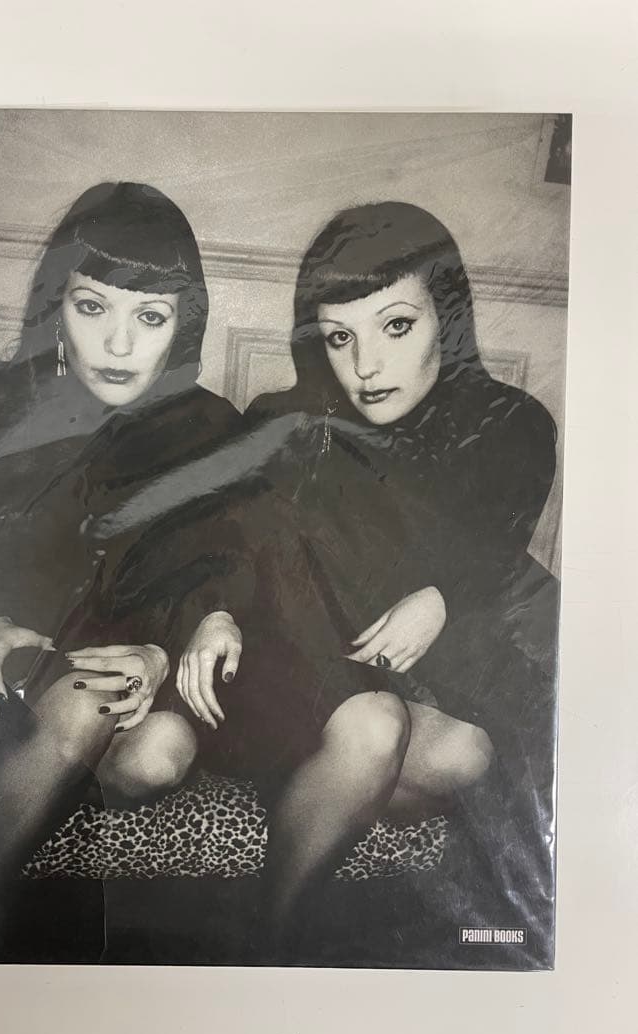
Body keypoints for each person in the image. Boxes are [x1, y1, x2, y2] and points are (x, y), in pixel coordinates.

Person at [175, 201, 557, 954]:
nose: (366, 366)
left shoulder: (508, 422)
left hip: (382, 680)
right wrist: (214, 612)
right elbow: (226, 545)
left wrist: (440, 596)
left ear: (447, 317)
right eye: (340, 337)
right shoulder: (284, 423)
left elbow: (494, 534)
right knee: (374, 726)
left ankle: (325, 792)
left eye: (397, 326)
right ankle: (265, 955)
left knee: (467, 754)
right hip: (281, 672)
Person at [0, 181, 251, 960]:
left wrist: (160, 653)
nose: (118, 345)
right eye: (93, 308)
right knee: (93, 708)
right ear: (57, 306)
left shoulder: (210, 430)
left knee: (156, 745)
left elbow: (224, 564)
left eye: (149, 318)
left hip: (127, 668)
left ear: (183, 322)